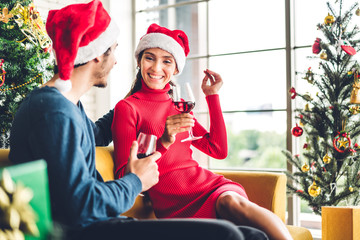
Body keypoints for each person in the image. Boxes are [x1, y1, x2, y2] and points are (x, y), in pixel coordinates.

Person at [8, 1, 259, 240]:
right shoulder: (55, 112)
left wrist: (136, 102)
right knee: (229, 235)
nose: (117, 61)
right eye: (114, 50)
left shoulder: (67, 106)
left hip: (102, 224)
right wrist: (135, 181)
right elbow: (80, 204)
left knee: (253, 236)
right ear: (97, 54)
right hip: (87, 230)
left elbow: (93, 133)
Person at [112, 23, 293, 240]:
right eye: (149, 58)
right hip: (175, 207)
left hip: (209, 188)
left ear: (176, 69)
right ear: (139, 61)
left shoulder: (176, 104)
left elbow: (218, 149)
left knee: (231, 202)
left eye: (166, 61)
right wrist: (164, 142)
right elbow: (123, 176)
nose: (156, 68)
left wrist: (212, 96)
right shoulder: (127, 107)